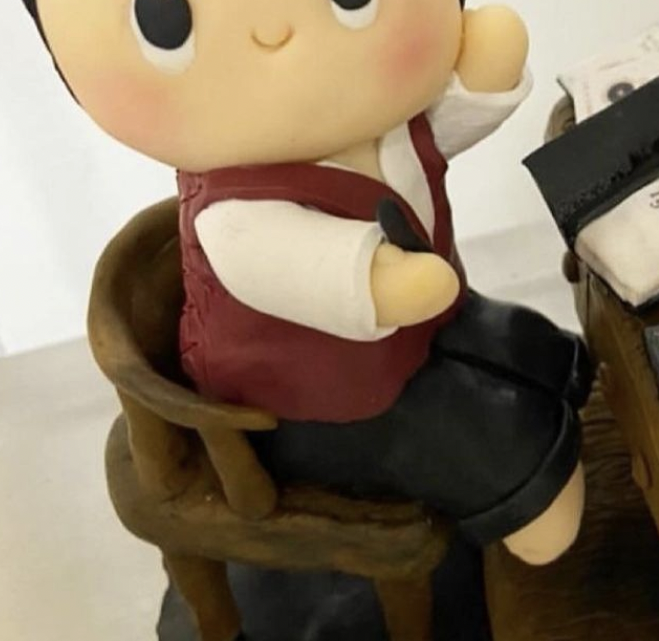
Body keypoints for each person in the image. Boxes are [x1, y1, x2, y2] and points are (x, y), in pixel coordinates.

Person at [27, 0, 589, 566]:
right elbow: (305, 267)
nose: (273, 30)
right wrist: (379, 284)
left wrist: (480, 85)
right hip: (315, 404)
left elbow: (429, 140)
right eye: (166, 24)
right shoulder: (234, 220)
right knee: (490, 431)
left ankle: (563, 380)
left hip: (428, 326)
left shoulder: (377, 125)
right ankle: (531, 499)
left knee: (526, 343)